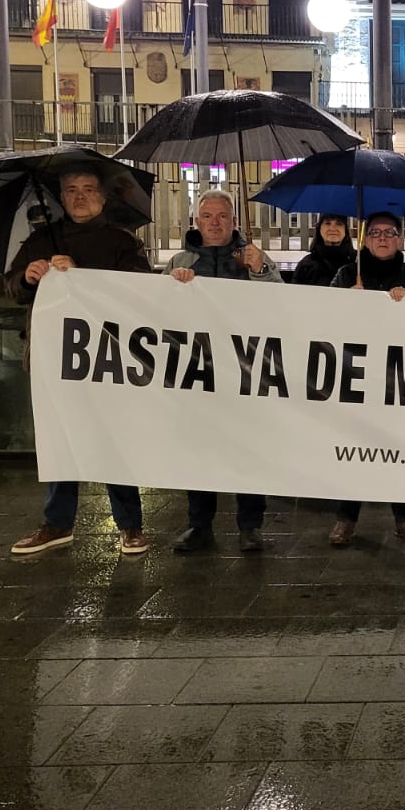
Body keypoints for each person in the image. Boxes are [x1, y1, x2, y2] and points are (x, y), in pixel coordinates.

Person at [8, 167, 154, 556]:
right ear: (61, 197)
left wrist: (81, 275)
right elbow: (11, 288)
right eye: (71, 190)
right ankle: (57, 523)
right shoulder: (39, 240)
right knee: (60, 439)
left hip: (106, 359)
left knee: (112, 439)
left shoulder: (122, 242)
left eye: (89, 189)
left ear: (103, 198)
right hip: (51, 360)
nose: (80, 196)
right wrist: (28, 276)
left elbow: (138, 292)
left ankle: (130, 524)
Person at [166, 189, 283, 553]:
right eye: (207, 216)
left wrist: (261, 271)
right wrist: (174, 286)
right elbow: (159, 313)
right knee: (199, 450)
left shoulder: (253, 257)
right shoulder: (179, 261)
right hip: (198, 372)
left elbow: (282, 304)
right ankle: (199, 524)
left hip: (245, 370)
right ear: (196, 222)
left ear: (233, 221)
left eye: (222, 216)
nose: (214, 223)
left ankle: (250, 525)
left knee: (248, 449)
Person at [329, 212, 405, 546]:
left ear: (400, 239)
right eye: (375, 233)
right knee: (355, 448)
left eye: (389, 232)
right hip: (356, 376)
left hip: (399, 377)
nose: (382, 238)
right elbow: (323, 317)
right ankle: (346, 518)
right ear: (365, 239)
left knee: (399, 448)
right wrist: (348, 301)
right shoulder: (347, 275)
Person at [292, 214, 355, 287]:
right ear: (319, 229)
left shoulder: (357, 263)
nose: (332, 228)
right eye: (327, 223)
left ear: (345, 230)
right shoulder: (306, 265)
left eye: (339, 223)